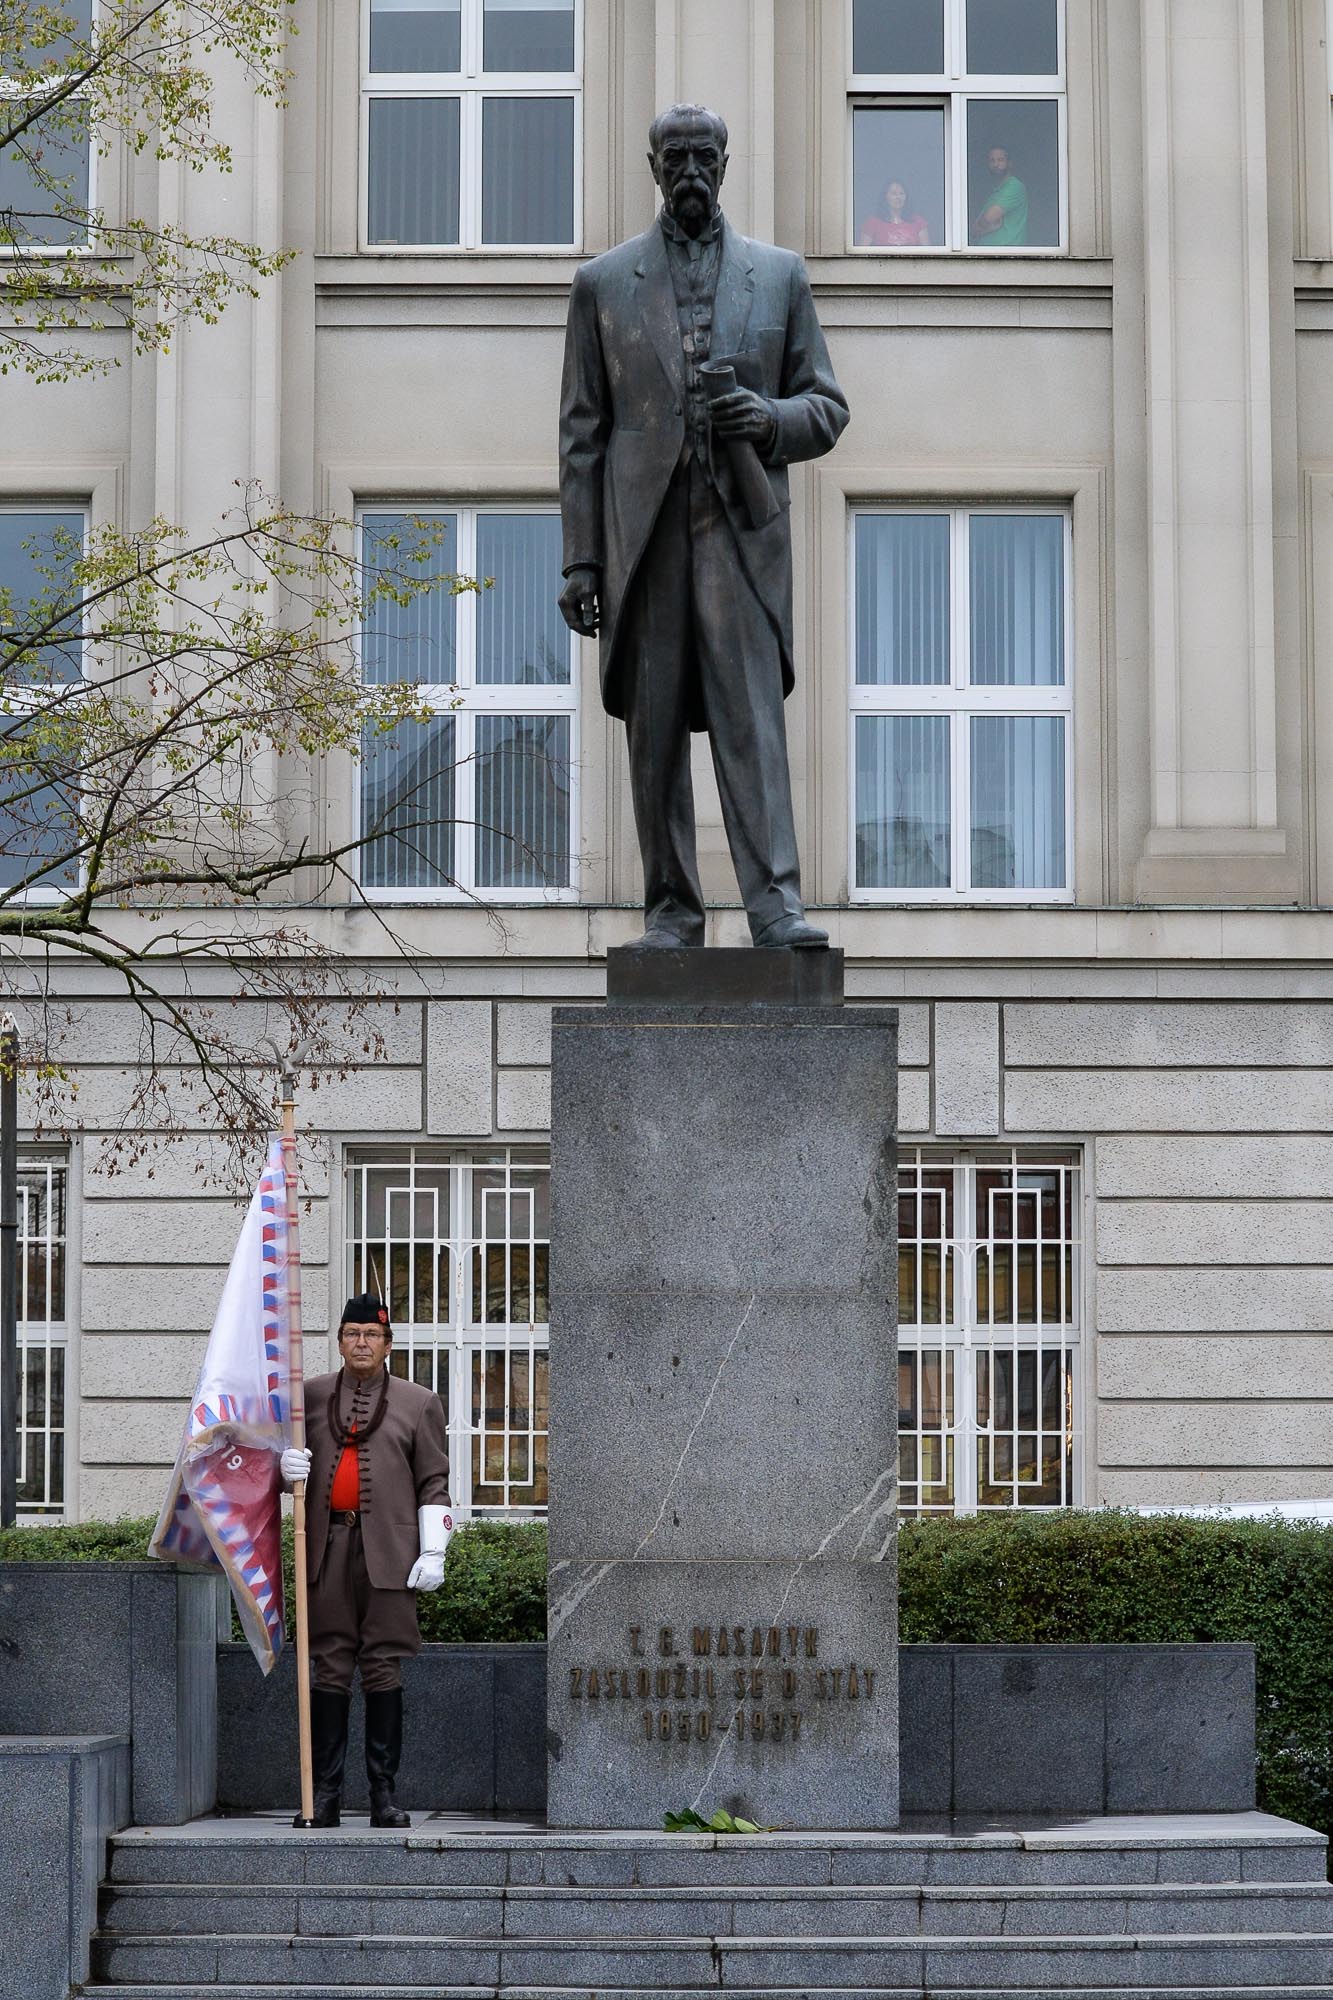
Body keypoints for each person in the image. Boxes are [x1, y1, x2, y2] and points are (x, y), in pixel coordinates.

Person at [557, 102, 849, 951]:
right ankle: (671, 911)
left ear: (725, 166)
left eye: (703, 158)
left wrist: (764, 418)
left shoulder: (779, 276)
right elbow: (583, 434)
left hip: (737, 532)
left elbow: (826, 408)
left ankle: (774, 907)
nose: (689, 172)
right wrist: (582, 563)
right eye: (674, 157)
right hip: (642, 542)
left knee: (750, 723)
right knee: (653, 738)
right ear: (652, 168)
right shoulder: (603, 285)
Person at [280, 1293, 452, 1828]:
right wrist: (280, 1467)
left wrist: (434, 1548)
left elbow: (435, 1481)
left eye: (372, 1335)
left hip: (390, 1555)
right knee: (329, 1665)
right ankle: (325, 1796)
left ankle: (383, 1795)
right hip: (327, 1549)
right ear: (339, 1341)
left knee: (381, 1667)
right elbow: (270, 1473)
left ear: (388, 1344)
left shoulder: (418, 1402)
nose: (361, 1343)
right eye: (352, 1334)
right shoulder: (304, 1399)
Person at [973, 144, 1028, 245]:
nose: (996, 164)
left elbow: (989, 217)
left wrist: (979, 229)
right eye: (992, 160)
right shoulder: (995, 191)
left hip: (1006, 254)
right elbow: (974, 229)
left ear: (1009, 163)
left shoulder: (1014, 186)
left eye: (1000, 160)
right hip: (988, 254)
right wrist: (980, 229)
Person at [859, 179, 930, 247]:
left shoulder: (918, 222)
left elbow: (928, 254)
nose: (898, 197)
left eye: (901, 193)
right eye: (893, 194)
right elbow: (861, 254)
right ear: (885, 197)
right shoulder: (872, 223)